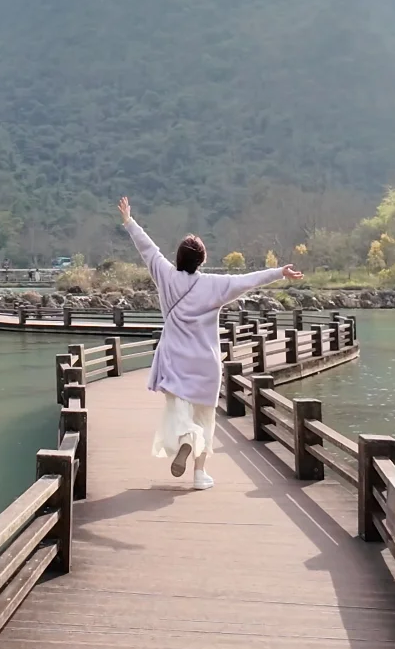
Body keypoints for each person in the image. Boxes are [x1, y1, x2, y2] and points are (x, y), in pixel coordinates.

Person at [119, 196, 300, 490]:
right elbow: (248, 280)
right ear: (201, 261)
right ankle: (199, 474)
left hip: (175, 360)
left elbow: (148, 249)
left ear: (178, 259)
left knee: (179, 411)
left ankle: (187, 439)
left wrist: (129, 221)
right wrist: (279, 272)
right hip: (206, 363)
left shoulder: (165, 276)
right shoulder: (214, 285)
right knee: (205, 417)